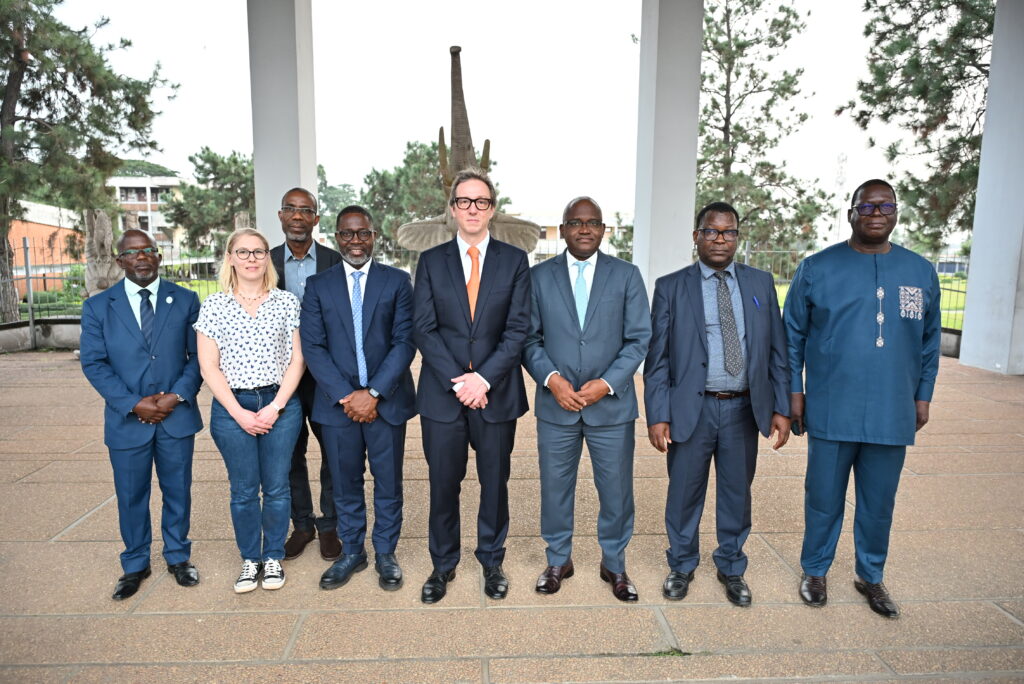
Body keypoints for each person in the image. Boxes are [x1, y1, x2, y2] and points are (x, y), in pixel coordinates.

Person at [785, 179, 940, 619]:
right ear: (850, 212)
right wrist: (795, 391)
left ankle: (870, 576)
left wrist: (923, 396)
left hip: (894, 410)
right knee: (823, 496)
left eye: (886, 205)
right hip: (832, 407)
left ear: (896, 213)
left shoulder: (921, 271)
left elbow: (929, 343)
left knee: (878, 502)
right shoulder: (817, 268)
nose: (876, 213)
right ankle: (815, 571)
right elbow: (791, 334)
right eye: (867, 206)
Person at [644, 201, 790, 607]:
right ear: (697, 237)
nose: (721, 239)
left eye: (729, 232)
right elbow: (658, 360)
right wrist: (658, 414)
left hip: (745, 408)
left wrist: (781, 406)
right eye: (712, 231)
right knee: (684, 492)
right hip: (694, 408)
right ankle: (681, 563)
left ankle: (731, 565)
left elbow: (776, 350)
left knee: (736, 493)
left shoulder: (761, 283)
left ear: (738, 238)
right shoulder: (672, 286)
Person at [412, 168, 531, 604]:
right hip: (443, 397)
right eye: (464, 201)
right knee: (443, 483)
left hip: (496, 393)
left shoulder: (515, 261)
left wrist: (483, 378)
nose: (472, 209)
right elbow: (423, 329)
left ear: (492, 209)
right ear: (453, 209)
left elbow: (518, 329)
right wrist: (460, 381)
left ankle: (492, 560)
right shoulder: (430, 262)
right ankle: (442, 565)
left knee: (494, 482)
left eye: (481, 201)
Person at [522, 196, 650, 601]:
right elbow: (528, 338)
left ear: (603, 230)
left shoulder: (626, 275)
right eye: (576, 222)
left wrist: (606, 383)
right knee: (555, 487)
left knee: (615, 489)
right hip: (556, 404)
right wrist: (552, 379)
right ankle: (558, 559)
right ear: (562, 230)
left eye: (593, 222)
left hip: (610, 406)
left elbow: (638, 339)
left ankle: (614, 562)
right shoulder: (538, 277)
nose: (584, 229)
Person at [80, 229, 204, 600]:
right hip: (127, 420)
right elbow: (95, 363)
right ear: (120, 261)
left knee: (177, 491)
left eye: (149, 250)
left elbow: (200, 357)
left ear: (159, 257)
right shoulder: (99, 307)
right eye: (133, 252)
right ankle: (135, 565)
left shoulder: (184, 300)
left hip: (175, 417)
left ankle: (179, 557)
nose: (143, 257)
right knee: (131, 495)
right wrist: (135, 403)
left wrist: (176, 396)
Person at [300, 206, 416, 592]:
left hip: (387, 404)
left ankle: (385, 552)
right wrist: (348, 396)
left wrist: (375, 393)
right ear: (336, 237)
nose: (355, 241)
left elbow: (404, 342)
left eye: (362, 233)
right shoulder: (319, 285)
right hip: (338, 407)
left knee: (388, 483)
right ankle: (353, 552)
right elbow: (313, 347)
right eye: (347, 234)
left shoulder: (398, 282)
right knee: (345, 483)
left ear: (373, 235)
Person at [195, 229, 305, 593]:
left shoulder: (286, 302)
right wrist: (239, 413)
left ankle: (272, 555)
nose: (252, 258)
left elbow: (297, 360)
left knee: (276, 487)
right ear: (230, 258)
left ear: (266, 258)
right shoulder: (214, 305)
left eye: (258, 252)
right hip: (232, 407)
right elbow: (208, 366)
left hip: (279, 404)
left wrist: (276, 406)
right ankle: (250, 559)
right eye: (243, 252)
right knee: (243, 490)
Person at [270, 187, 343, 562]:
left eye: (306, 211)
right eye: (290, 210)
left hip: (327, 375)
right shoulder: (262, 263)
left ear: (316, 218)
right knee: (289, 453)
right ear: (280, 216)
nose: (298, 217)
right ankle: (302, 525)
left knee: (334, 451)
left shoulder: (334, 261)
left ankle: (330, 525)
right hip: (280, 377)